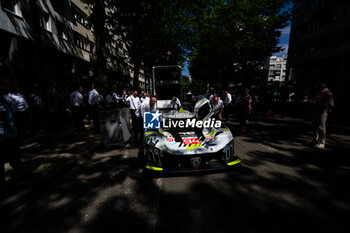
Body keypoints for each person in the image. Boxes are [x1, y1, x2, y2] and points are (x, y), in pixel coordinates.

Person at [0, 76, 23, 187]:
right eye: (7, 84)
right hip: (5, 136)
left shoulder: (3, 98)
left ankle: (20, 175)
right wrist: (1, 135)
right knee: (9, 157)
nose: (10, 86)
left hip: (11, 133)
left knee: (14, 156)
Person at [310, 82, 334, 148]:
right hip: (315, 110)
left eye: (318, 86)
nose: (317, 87)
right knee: (314, 125)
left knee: (321, 126)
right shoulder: (320, 92)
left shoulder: (328, 93)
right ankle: (315, 139)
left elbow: (330, 104)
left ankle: (322, 142)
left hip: (322, 112)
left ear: (323, 87)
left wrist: (318, 103)